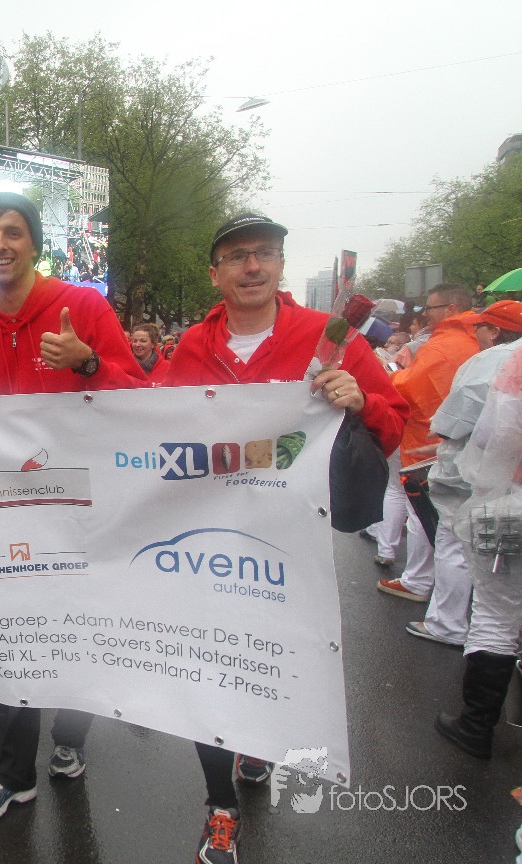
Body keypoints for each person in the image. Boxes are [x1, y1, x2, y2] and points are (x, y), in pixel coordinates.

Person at [166, 213, 408, 864]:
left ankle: (260, 742)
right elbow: (149, 428)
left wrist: (360, 400)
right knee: (207, 670)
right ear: (215, 273)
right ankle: (221, 807)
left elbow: (394, 425)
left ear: (279, 264)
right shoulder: (190, 347)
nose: (253, 266)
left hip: (288, 551)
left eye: (265, 253)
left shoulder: (327, 337)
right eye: (237, 256)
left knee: (268, 666)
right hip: (207, 545)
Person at [0, 192, 145, 820]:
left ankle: (71, 737)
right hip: (9, 517)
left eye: (13, 232)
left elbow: (139, 396)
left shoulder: (81, 307)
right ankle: (10, 775)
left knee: (77, 632)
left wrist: (88, 363)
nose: (0, 244)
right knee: (12, 634)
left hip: (84, 509)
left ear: (34, 243)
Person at [405, 300, 522, 647]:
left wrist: (442, 441)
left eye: (480, 327)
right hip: (506, 484)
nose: (475, 334)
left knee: (459, 545)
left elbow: (462, 425)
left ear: (495, 331)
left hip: (483, 480)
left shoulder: (493, 361)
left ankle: (448, 623)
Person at [433, 342, 522, 760]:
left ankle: (476, 726)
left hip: (509, 502)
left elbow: (489, 436)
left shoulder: (515, 361)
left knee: (494, 613)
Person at [378, 284, 479, 609]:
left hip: (428, 441)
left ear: (450, 309)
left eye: (430, 309)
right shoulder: (470, 341)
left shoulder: (444, 345)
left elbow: (412, 388)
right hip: (460, 444)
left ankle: (420, 583)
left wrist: (388, 376)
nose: (425, 316)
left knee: (426, 517)